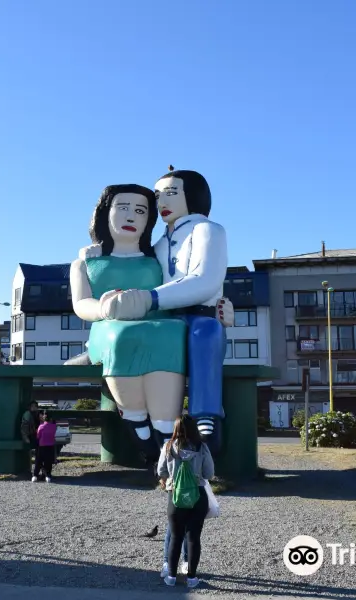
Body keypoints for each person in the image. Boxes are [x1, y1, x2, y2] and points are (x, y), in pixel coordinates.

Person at [82, 167, 229, 457]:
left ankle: (205, 413)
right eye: (159, 196)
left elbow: (206, 278)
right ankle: (145, 417)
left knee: (205, 334)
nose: (162, 202)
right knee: (152, 337)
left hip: (198, 313)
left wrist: (150, 298)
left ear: (194, 196)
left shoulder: (207, 230)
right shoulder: (160, 243)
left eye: (172, 193)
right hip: (164, 317)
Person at [70, 184, 188, 464]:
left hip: (158, 326)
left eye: (140, 210)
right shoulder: (86, 262)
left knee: (171, 333)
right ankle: (136, 420)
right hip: (108, 326)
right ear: (104, 213)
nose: (131, 217)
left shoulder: (158, 258)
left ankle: (164, 427)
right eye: (123, 208)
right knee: (119, 335)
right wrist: (103, 307)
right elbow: (80, 304)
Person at [157, 415, 214, 589]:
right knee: (193, 538)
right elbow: (209, 473)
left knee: (175, 536)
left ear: (176, 428)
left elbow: (161, 470)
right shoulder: (202, 447)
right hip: (198, 496)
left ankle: (171, 577)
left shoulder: (168, 447)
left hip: (175, 496)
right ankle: (191, 578)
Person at [33, 413, 58, 483]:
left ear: (44, 419)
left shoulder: (41, 426)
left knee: (39, 461)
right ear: (51, 419)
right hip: (51, 446)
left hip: (42, 446)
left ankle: (35, 475)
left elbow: (38, 436)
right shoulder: (54, 427)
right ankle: (48, 476)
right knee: (48, 462)